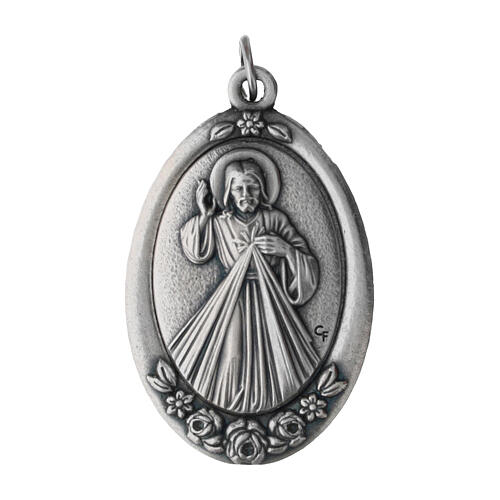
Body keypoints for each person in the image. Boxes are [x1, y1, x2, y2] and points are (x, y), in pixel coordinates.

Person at [169, 151, 320, 413]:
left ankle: (271, 406)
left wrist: (285, 250)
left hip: (269, 297)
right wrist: (204, 215)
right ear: (228, 192)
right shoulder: (220, 222)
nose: (246, 194)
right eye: (238, 188)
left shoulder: (275, 220)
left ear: (262, 190)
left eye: (252, 187)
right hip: (232, 297)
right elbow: (195, 252)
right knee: (233, 354)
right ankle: (229, 407)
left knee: (272, 353)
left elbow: (308, 263)